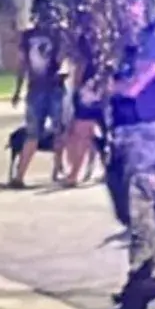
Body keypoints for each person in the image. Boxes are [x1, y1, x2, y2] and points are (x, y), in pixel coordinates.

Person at [108, 0, 155, 299]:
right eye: (122, 4)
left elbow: (134, 87)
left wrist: (106, 87)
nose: (126, 11)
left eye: (132, 3)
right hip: (120, 131)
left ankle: (139, 275)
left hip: (145, 131)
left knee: (138, 201)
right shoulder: (120, 47)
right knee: (126, 208)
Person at [2, 0, 68, 189]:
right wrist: (17, 89)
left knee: (58, 129)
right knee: (33, 132)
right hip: (36, 88)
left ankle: (58, 167)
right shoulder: (28, 36)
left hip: (54, 86)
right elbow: (22, 64)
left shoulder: (58, 34)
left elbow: (62, 58)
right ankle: (20, 175)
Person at [60, 12, 105, 187]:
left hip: (87, 95)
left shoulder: (84, 46)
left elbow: (79, 72)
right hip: (100, 92)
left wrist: (75, 90)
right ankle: (104, 169)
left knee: (81, 134)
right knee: (100, 134)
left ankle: (74, 174)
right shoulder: (103, 44)